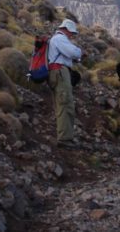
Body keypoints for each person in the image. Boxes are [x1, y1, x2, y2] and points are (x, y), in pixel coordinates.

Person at [47, 19, 83, 148]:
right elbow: (74, 52)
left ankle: (65, 136)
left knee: (62, 104)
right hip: (60, 73)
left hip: (57, 73)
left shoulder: (56, 40)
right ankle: (64, 139)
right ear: (66, 29)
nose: (72, 35)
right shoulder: (59, 39)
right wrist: (79, 52)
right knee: (65, 104)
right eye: (71, 32)